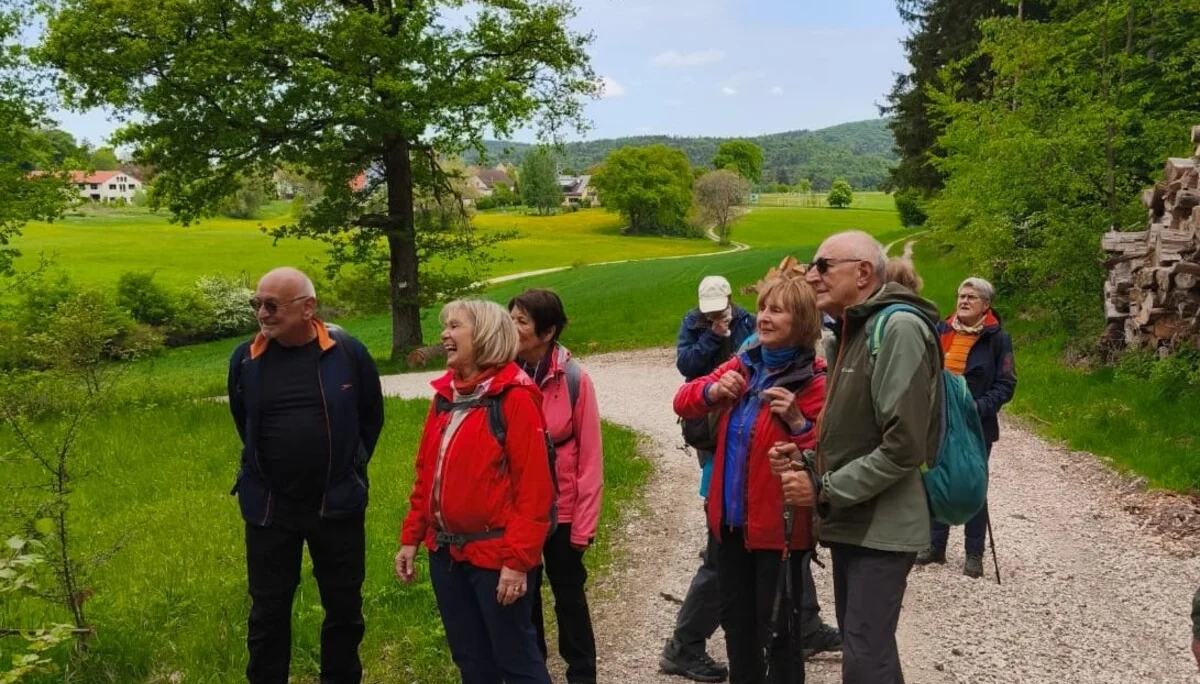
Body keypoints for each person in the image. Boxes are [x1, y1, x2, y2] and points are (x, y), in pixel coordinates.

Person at [796, 230, 943, 684]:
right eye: (810, 265)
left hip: (882, 526)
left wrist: (827, 488)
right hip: (857, 520)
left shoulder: (895, 327)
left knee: (865, 656)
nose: (810, 276)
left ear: (863, 273)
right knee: (867, 648)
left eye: (822, 266)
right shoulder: (853, 329)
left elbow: (904, 445)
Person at [227, 267, 384, 684]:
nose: (262, 312)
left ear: (308, 307)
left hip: (336, 505)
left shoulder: (347, 352)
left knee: (344, 607)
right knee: (267, 611)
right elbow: (243, 421)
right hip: (270, 508)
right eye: (256, 303)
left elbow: (371, 417)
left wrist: (350, 468)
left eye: (272, 305)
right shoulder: (246, 359)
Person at [673, 276, 828, 684]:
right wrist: (713, 390)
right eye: (762, 308)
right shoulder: (745, 363)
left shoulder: (815, 382)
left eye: (777, 310)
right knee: (736, 626)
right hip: (729, 524)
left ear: (803, 321)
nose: (764, 317)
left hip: (779, 530)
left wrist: (797, 422)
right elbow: (683, 400)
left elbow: (826, 454)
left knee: (779, 630)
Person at [396, 298, 554, 684]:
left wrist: (517, 562)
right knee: (471, 662)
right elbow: (426, 476)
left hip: (496, 557)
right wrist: (411, 537)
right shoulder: (445, 398)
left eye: (454, 327)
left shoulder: (515, 397)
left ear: (483, 334)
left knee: (516, 662)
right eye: (445, 327)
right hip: (447, 555)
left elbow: (535, 492)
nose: (444, 335)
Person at [661, 275, 755, 682]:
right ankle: (685, 644)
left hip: (740, 432)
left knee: (758, 549)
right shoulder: (694, 322)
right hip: (712, 430)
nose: (714, 313)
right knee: (724, 548)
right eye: (708, 307)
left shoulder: (750, 322)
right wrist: (712, 338)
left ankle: (800, 622)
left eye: (719, 308)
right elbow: (688, 368)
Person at [508, 289, 604, 684]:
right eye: (510, 317)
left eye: (522, 321)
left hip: (563, 512)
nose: (512, 326)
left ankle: (582, 675)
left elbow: (591, 461)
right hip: (519, 512)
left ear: (547, 332)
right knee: (523, 598)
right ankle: (533, 673)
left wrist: (583, 526)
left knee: (569, 599)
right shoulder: (503, 375)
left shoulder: (575, 379)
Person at [916, 277, 1016, 577]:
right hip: (940, 420)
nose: (963, 301)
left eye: (971, 297)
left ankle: (974, 553)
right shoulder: (941, 330)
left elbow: (1006, 384)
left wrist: (978, 408)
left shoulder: (996, 338)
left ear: (986, 304)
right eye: (961, 295)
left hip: (975, 424)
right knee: (938, 477)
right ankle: (935, 546)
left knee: (973, 482)